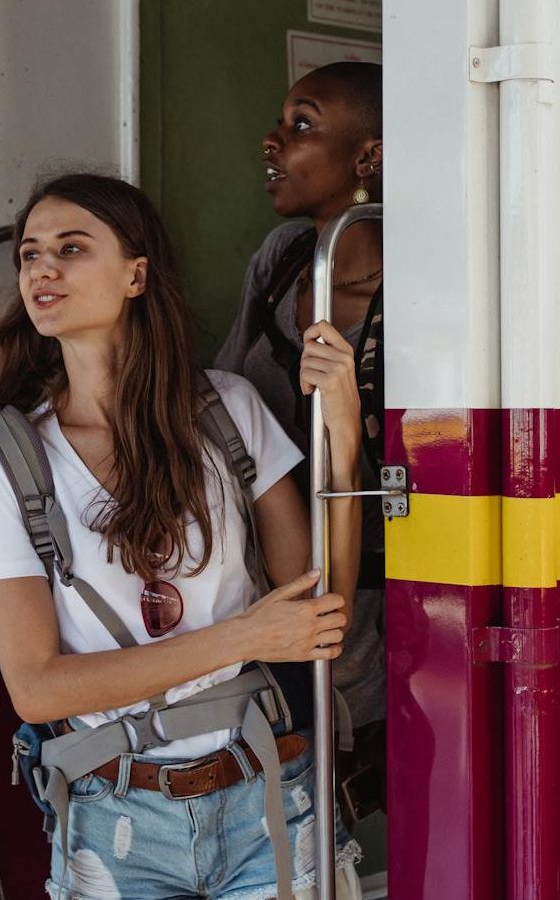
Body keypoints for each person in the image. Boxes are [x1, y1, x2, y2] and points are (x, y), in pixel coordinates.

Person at [0, 172, 365, 900]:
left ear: (136, 273)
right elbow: (38, 688)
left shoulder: (227, 410)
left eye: (71, 249)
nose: (42, 269)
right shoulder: (12, 454)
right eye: (29, 255)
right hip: (115, 822)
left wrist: (345, 432)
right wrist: (242, 638)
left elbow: (318, 607)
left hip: (266, 792)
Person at [215, 61, 386, 830]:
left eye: (303, 124)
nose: (274, 141)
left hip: (363, 587)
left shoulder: (414, 295)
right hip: (253, 570)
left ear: (369, 159)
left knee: (340, 768)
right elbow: (216, 399)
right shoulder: (282, 258)